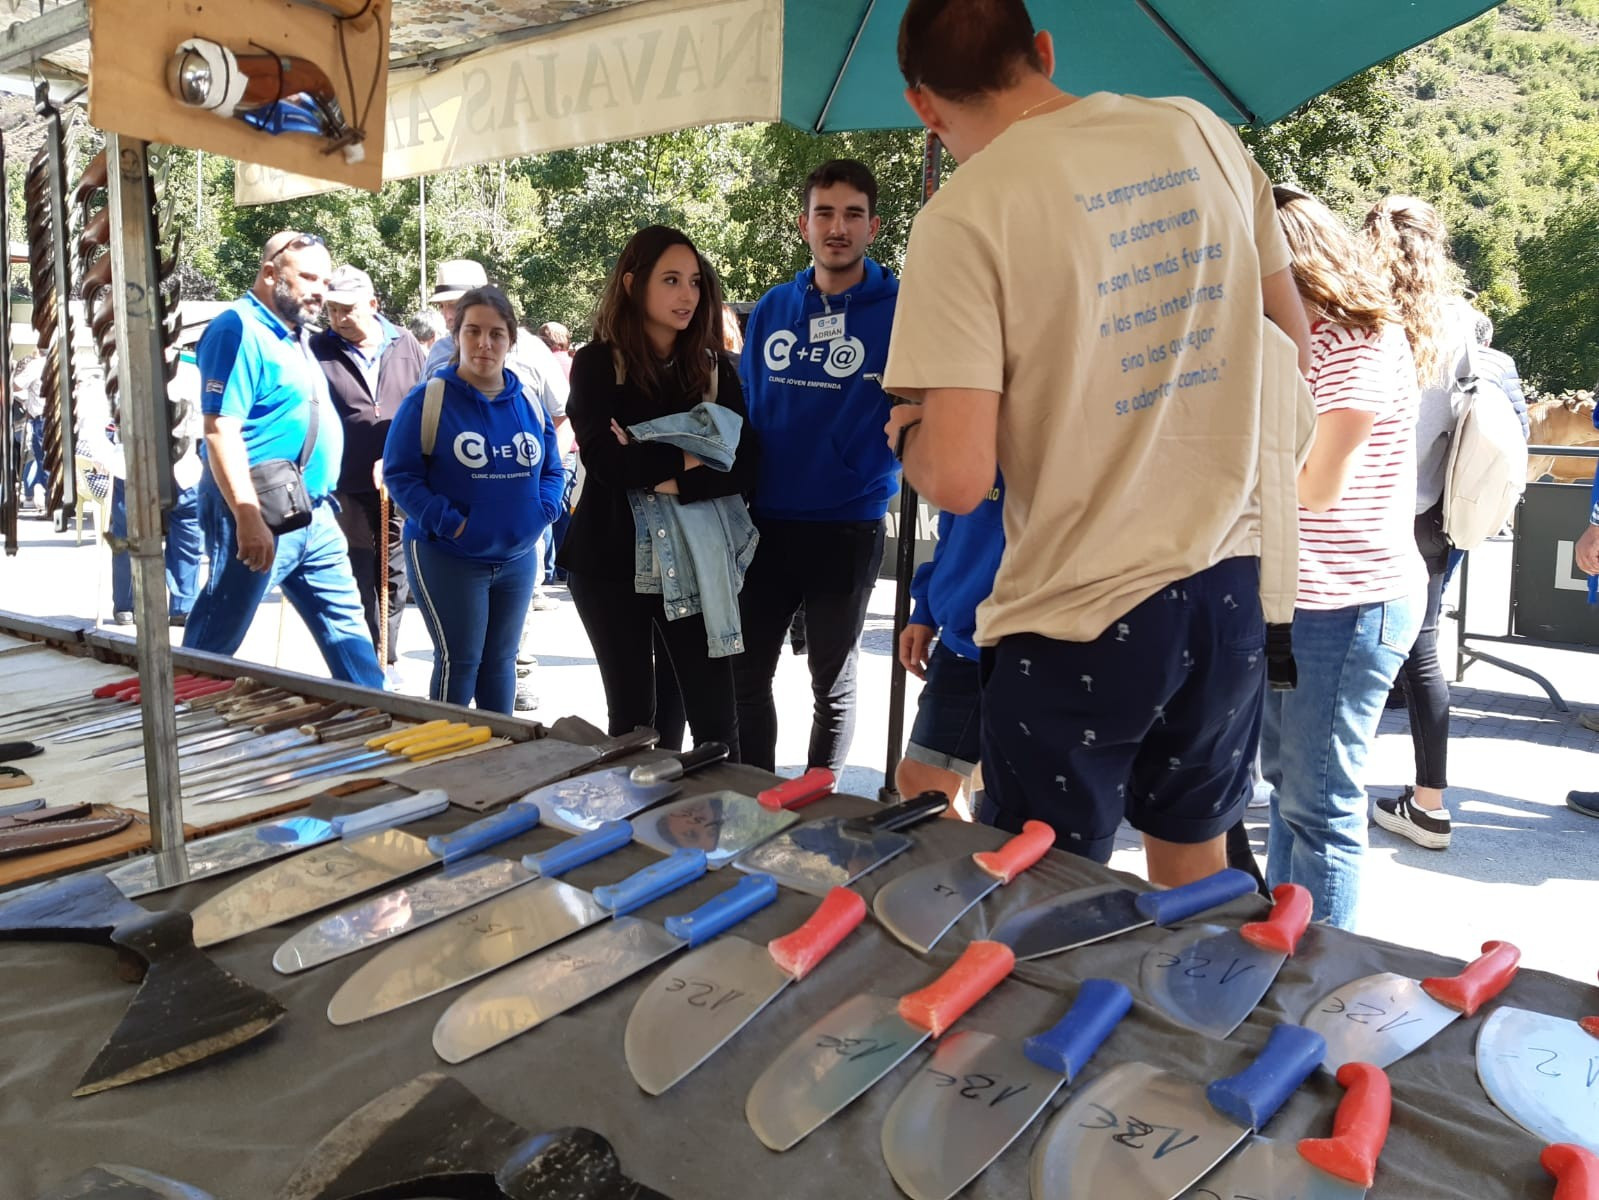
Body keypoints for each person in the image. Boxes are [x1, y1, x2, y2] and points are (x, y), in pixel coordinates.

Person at [882, 0, 1312, 886]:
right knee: (1197, 878)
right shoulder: (1201, 131)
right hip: (1227, 587)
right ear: (1042, 50)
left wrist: (909, 432)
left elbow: (959, 480)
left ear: (924, 105)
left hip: (1078, 611)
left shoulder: (964, 216)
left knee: (1039, 902)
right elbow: (1290, 346)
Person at [1257, 188, 1425, 927]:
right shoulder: (1300, 335)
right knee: (1286, 791)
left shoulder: (1354, 339)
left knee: (1318, 805)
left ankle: (1318, 981)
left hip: (1347, 600)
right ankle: (1280, 947)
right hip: (1300, 598)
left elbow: (1317, 486)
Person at [558, 225, 759, 754]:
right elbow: (607, 464)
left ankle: (720, 829)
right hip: (609, 562)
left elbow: (746, 465)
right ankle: (642, 831)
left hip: (697, 560)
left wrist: (653, 460)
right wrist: (697, 452)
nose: (687, 294)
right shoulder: (598, 363)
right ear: (632, 284)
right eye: (671, 279)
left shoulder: (714, 369)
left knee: (716, 721)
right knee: (635, 724)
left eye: (694, 281)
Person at [734, 158, 901, 774]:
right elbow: (751, 406)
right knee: (746, 676)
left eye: (852, 214)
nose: (838, 227)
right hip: (767, 523)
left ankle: (813, 808)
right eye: (825, 213)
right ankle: (754, 799)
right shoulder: (775, 308)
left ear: (873, 226)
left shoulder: (903, 309)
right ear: (803, 224)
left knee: (831, 686)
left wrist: (863, 463)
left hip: (846, 524)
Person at [182, 231, 384, 688]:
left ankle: (376, 712)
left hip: (311, 510)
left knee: (349, 633)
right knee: (215, 640)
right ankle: (173, 728)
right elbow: (220, 428)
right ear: (271, 272)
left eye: (325, 280)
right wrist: (247, 517)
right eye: (309, 276)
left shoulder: (294, 334)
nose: (320, 289)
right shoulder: (238, 328)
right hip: (260, 510)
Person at [382, 286, 564, 713]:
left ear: (511, 340)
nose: (484, 343)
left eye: (496, 333)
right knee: (460, 663)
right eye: (473, 331)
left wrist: (544, 511)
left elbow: (553, 468)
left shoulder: (528, 402)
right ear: (457, 335)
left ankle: (499, 760)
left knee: (501, 664)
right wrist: (451, 523)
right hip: (449, 555)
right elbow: (401, 476)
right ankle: (450, 766)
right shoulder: (428, 400)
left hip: (518, 558)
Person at [1364, 196, 1473, 851]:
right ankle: (1429, 804)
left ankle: (1322, 793)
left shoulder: (1357, 309)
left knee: (1334, 660)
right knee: (1422, 653)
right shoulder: (1463, 322)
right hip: (1425, 512)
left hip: (1350, 512)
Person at [311, 264, 427, 688]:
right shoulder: (318, 347)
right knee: (361, 571)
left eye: (348, 308)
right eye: (333, 309)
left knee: (394, 573)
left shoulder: (405, 342)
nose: (339, 317)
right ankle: (368, 663)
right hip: (347, 481)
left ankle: (387, 659)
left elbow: (420, 400)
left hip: (400, 476)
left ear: (374, 306)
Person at [897, 474, 1004, 819]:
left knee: (1007, 805)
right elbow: (951, 533)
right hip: (961, 641)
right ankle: (973, 867)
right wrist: (925, 610)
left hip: (1029, 645)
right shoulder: (973, 437)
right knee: (921, 785)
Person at [109, 355, 205, 625]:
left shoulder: (189, 372)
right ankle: (127, 604)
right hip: (133, 471)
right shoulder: (118, 368)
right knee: (128, 538)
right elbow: (97, 423)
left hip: (182, 470)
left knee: (187, 539)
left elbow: (201, 422)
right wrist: (114, 460)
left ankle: (184, 605)